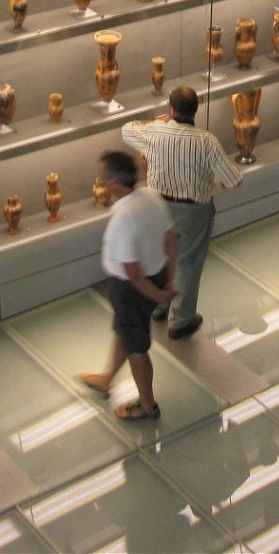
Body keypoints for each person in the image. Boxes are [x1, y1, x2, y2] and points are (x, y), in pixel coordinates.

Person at [120, 86, 240, 340]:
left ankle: (160, 306)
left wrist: (159, 120)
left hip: (158, 208)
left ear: (171, 109)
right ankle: (181, 320)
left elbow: (126, 130)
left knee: (162, 257)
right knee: (188, 263)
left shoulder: (154, 132)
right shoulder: (207, 141)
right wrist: (208, 185)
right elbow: (233, 181)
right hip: (193, 209)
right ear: (195, 110)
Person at [76, 150, 178, 422]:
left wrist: (159, 295)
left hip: (132, 290)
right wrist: (167, 282)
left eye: (104, 179)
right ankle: (107, 378)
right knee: (126, 330)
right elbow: (171, 242)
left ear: (115, 184)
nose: (102, 183)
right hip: (154, 278)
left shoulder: (122, 220)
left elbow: (133, 274)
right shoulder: (152, 197)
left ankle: (147, 406)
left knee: (137, 347)